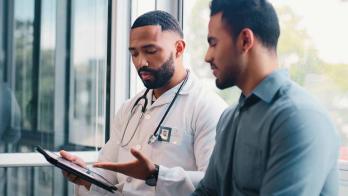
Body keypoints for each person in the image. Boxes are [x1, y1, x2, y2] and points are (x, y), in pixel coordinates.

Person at [60, 10, 227, 196]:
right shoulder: (130, 108)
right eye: (134, 53)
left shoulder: (208, 108)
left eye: (150, 51)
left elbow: (214, 184)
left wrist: (157, 175)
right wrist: (85, 176)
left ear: (179, 48)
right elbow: (109, 176)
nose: (141, 62)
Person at [192, 0, 340, 195]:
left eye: (213, 43)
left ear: (245, 40)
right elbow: (207, 192)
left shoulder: (299, 118)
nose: (207, 56)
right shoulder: (228, 118)